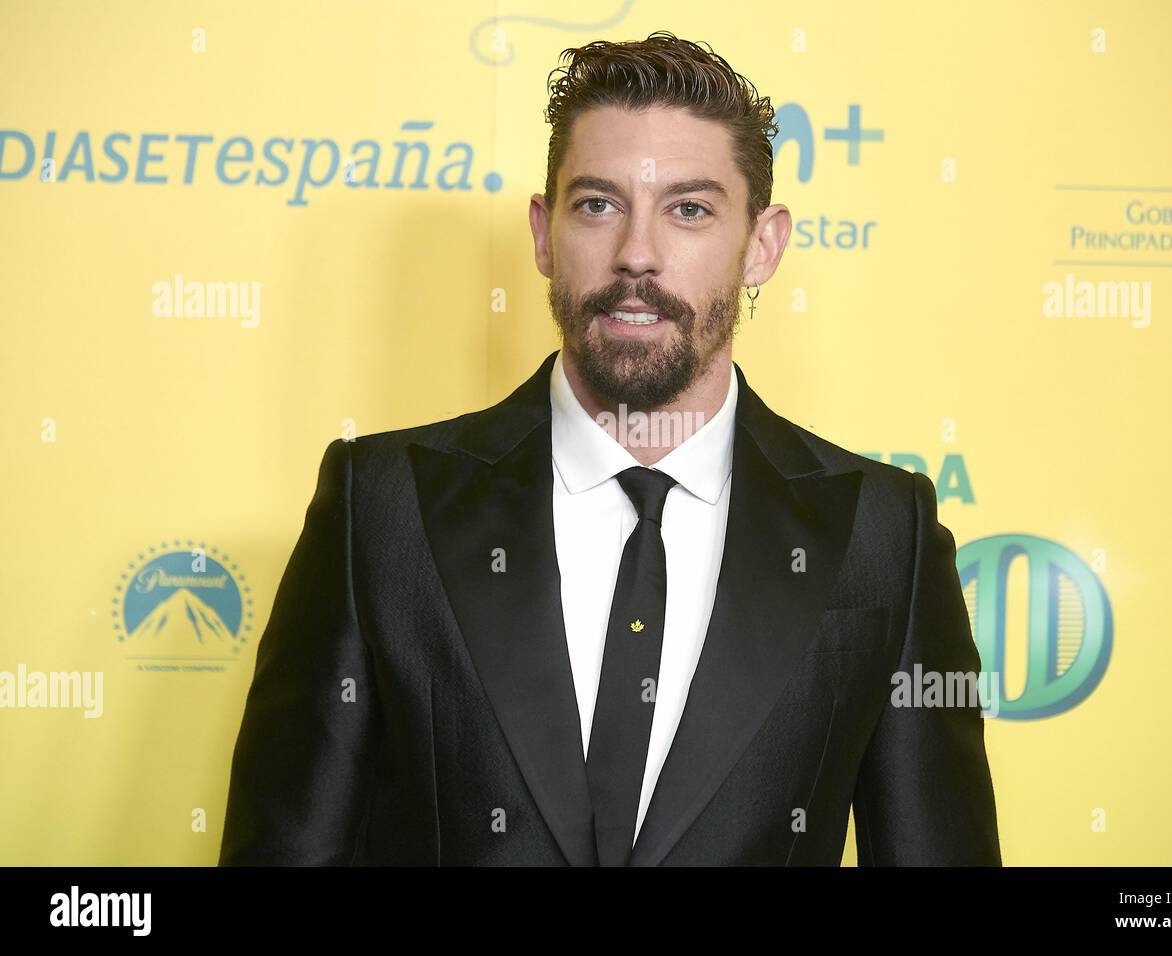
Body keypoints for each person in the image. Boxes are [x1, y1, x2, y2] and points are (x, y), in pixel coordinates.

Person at [218, 31, 1000, 866]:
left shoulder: (884, 534)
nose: (637, 254)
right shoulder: (378, 507)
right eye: (598, 203)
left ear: (761, 246)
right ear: (544, 232)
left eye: (689, 209)